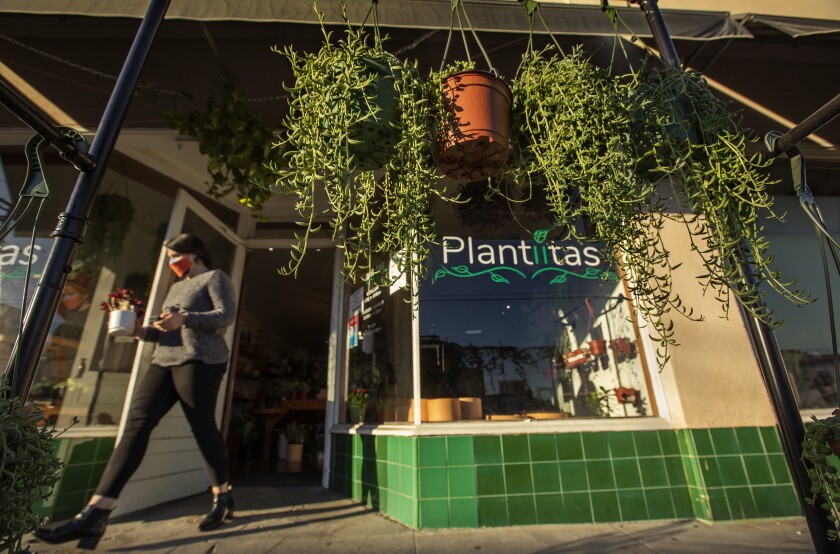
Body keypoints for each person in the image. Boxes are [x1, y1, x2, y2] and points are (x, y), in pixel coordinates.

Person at [35, 234, 238, 549]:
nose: (171, 263)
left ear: (193, 254)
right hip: (163, 361)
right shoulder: (175, 287)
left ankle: (222, 497)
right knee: (137, 425)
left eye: (174, 257)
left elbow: (225, 316)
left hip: (201, 360)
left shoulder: (215, 278)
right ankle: (95, 513)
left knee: (202, 427)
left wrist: (185, 318)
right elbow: (169, 327)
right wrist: (142, 331)